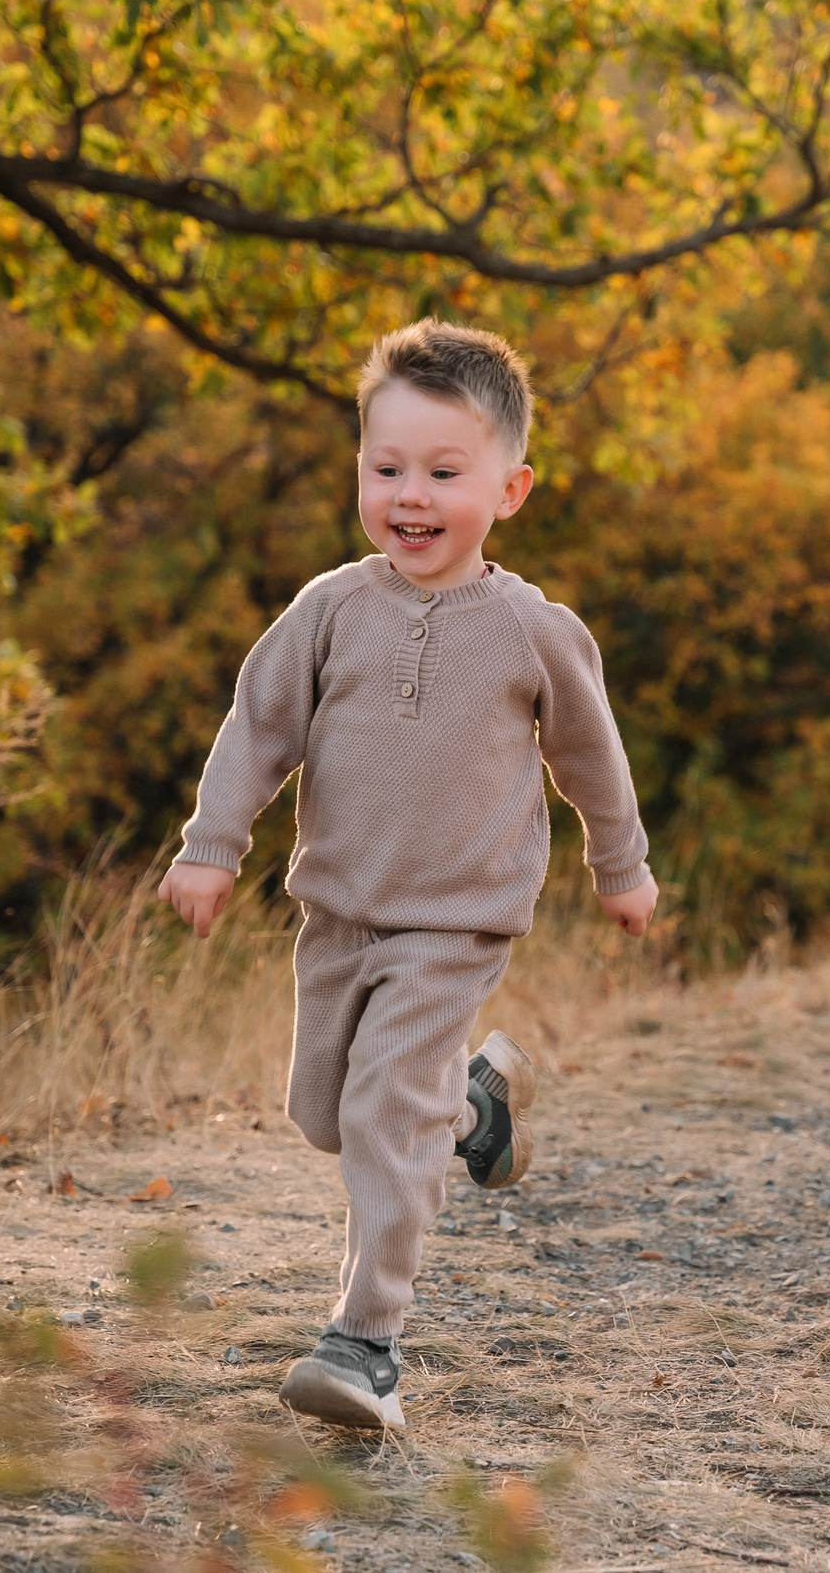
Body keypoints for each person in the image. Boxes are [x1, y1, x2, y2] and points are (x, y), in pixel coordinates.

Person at [158, 319, 658, 1428]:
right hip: (336, 910)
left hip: (456, 919)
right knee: (327, 1112)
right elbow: (256, 730)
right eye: (387, 470)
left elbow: (591, 754)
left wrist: (619, 864)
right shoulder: (329, 610)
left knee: (384, 1116)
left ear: (511, 488)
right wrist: (210, 845)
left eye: (443, 472)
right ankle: (477, 1113)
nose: (410, 497)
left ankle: (365, 1342)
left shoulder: (531, 628)